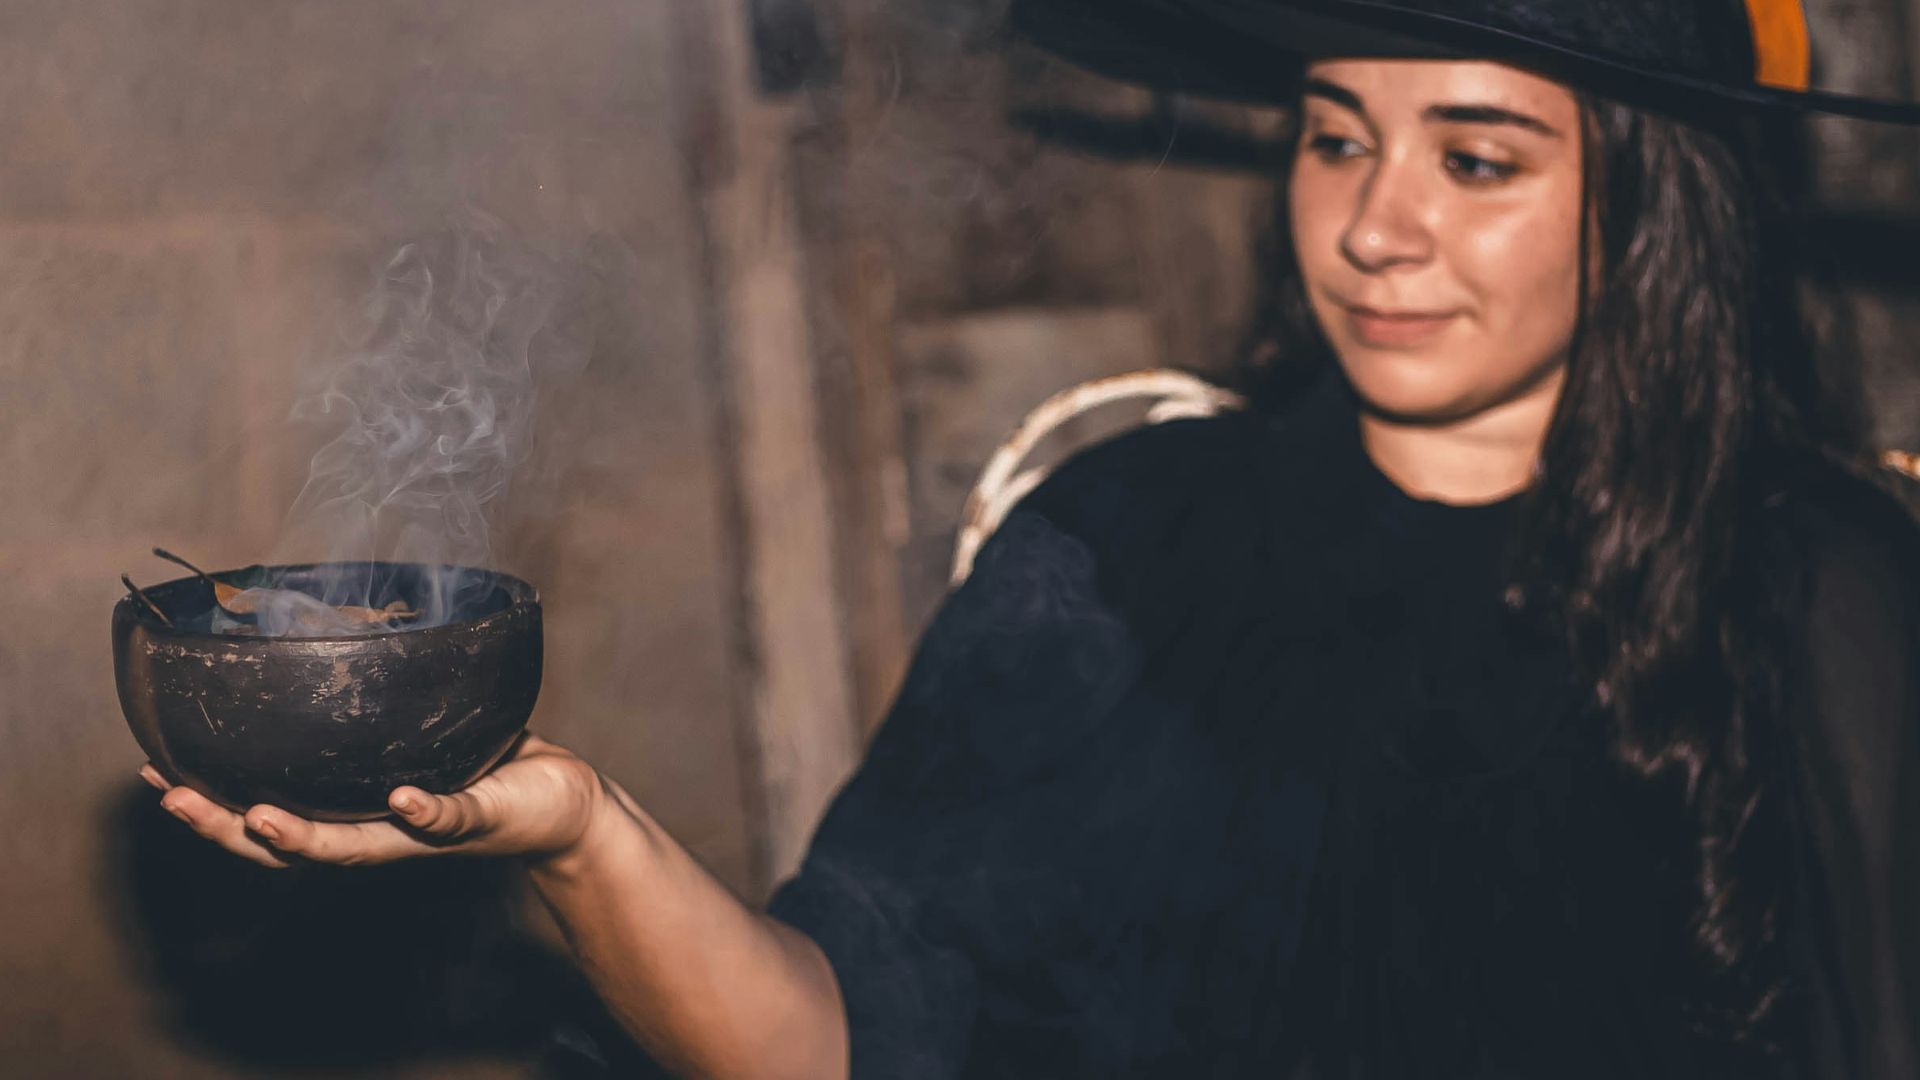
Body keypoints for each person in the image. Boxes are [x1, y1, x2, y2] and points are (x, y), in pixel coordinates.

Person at [145, 0, 1920, 1076]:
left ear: (1649, 202)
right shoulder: (1133, 550)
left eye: (1477, 162)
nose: (1375, 226)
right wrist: (577, 833)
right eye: (1332, 136)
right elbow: (846, 1039)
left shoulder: (1827, 588)